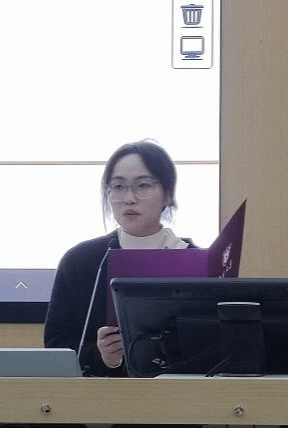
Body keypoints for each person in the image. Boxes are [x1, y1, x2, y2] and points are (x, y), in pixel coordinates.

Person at [44, 141, 196, 376]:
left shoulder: (195, 260)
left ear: (168, 194)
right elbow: (57, 347)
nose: (129, 198)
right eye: (117, 186)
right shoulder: (81, 262)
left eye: (143, 185)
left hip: (181, 394)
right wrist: (102, 357)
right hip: (102, 395)